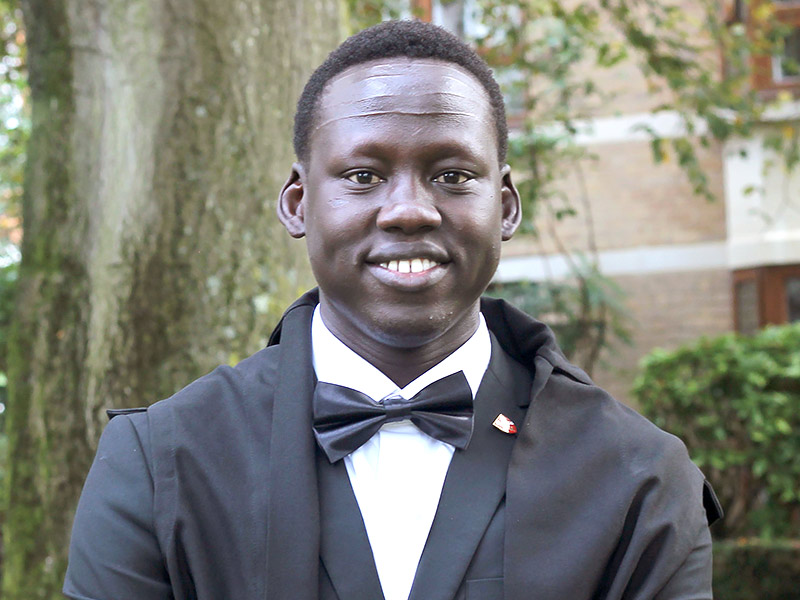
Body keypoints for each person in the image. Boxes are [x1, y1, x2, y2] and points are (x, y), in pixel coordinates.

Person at [63, 19, 721, 600]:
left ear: (507, 206)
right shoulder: (159, 466)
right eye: (363, 175)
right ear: (297, 203)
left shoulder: (640, 482)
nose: (409, 209)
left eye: (453, 175)